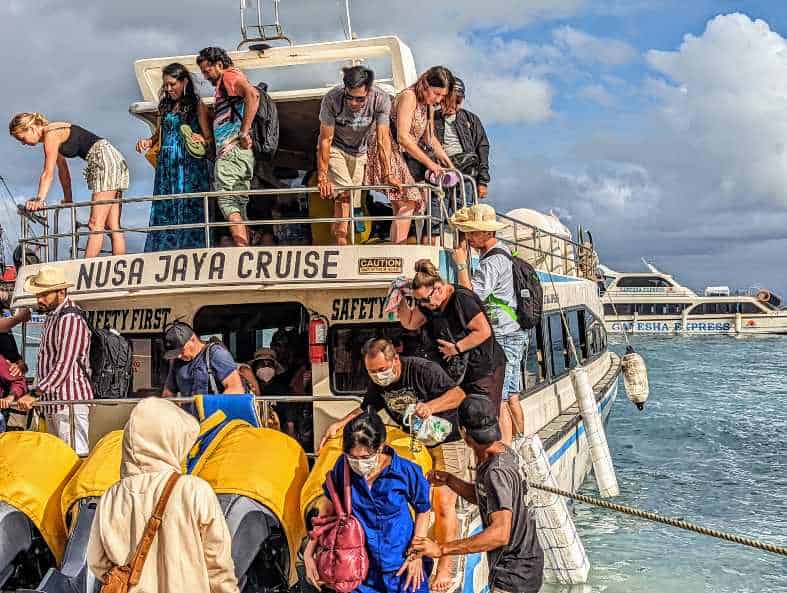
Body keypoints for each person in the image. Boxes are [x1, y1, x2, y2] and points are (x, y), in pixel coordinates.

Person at [319, 337, 467, 591]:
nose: (378, 376)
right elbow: (366, 410)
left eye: (382, 370)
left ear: (395, 360)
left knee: (442, 504)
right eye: (372, 372)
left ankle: (445, 565)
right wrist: (339, 424)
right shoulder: (378, 384)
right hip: (415, 440)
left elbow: (458, 394)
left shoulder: (421, 370)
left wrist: (429, 407)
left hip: (446, 437)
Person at [87, 397, 240, 593]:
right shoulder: (194, 490)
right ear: (172, 440)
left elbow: (97, 563)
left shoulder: (111, 496)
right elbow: (218, 563)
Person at [409, 396, 544, 593]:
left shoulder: (495, 472)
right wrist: (450, 480)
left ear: (463, 432)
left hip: (515, 575)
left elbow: (499, 535)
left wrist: (442, 549)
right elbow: (487, 499)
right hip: (526, 565)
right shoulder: (502, 453)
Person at [304, 412, 431, 593]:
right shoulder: (343, 466)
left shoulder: (406, 471)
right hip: (358, 568)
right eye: (353, 457)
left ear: (380, 447)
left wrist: (416, 555)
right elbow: (328, 509)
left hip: (402, 565)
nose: (359, 464)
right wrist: (310, 552)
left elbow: (423, 510)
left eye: (365, 458)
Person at [450, 204, 526, 445]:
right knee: (512, 396)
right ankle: (519, 443)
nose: (469, 237)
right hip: (512, 332)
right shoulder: (500, 253)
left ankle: (503, 451)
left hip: (503, 335)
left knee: (500, 400)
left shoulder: (491, 262)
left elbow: (471, 295)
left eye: (472, 232)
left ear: (487, 233)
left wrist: (461, 264)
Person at [10, 113, 129, 258]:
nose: (23, 143)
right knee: (112, 226)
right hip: (112, 159)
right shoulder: (53, 136)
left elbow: (48, 173)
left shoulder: (51, 134)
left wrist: (39, 200)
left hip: (105, 161)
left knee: (95, 224)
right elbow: (63, 172)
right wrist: (68, 199)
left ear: (31, 127)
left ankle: (85, 273)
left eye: (22, 138)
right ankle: (121, 270)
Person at [398, 259, 506, 412]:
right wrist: (400, 296)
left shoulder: (461, 299)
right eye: (418, 301)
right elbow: (409, 322)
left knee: (486, 415)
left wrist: (456, 348)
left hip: (484, 367)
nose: (422, 304)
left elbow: (483, 331)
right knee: (467, 415)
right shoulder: (430, 305)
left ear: (439, 288)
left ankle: (506, 436)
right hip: (459, 371)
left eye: (424, 299)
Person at [365, 66, 455, 244]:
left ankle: (397, 248)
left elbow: (429, 138)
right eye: (436, 93)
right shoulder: (409, 96)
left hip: (399, 153)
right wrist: (431, 164)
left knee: (404, 203)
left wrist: (449, 164)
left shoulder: (427, 104)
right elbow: (403, 138)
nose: (438, 99)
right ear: (425, 84)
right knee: (408, 201)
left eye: (442, 96)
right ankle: (399, 250)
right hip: (386, 148)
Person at [317, 66, 399, 245]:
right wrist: (322, 177)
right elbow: (325, 140)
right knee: (346, 191)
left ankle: (338, 229)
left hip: (360, 152)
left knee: (351, 201)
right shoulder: (332, 99)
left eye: (359, 99)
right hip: (336, 148)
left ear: (369, 91)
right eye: (349, 97)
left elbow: (383, 139)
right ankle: (342, 243)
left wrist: (388, 173)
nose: (353, 103)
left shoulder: (381, 100)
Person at [136, 62, 212, 252]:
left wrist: (202, 138)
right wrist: (148, 141)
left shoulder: (197, 105)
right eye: (166, 85)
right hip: (167, 165)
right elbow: (159, 134)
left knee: (188, 204)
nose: (168, 89)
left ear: (184, 81)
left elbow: (209, 137)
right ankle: (165, 249)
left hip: (188, 165)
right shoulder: (165, 107)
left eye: (172, 84)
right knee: (166, 205)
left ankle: (189, 249)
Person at [23, 266, 92, 454]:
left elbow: (64, 366)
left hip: (69, 403)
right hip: (54, 403)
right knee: (57, 459)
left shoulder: (70, 318)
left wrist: (35, 394)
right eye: (38, 295)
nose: (39, 299)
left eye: (45, 294)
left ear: (61, 292)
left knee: (74, 457)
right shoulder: (53, 316)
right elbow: (46, 362)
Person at [197, 47, 260, 247]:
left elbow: (252, 95)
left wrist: (243, 131)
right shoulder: (231, 79)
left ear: (220, 65)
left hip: (230, 153)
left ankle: (243, 252)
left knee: (227, 202)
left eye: (207, 70)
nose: (205, 76)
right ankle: (246, 248)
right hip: (240, 155)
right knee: (238, 205)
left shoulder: (228, 78)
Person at [434, 78, 490, 200]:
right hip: (440, 174)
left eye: (458, 102)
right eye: (451, 101)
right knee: (437, 213)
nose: (454, 106)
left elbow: (482, 149)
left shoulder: (471, 119)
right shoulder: (431, 119)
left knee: (465, 213)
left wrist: (483, 182)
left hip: (466, 174)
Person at [161, 322, 245, 397]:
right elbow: (168, 394)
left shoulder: (216, 354)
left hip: (217, 413)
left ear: (192, 340)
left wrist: (213, 410)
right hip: (188, 414)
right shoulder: (177, 362)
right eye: (175, 353)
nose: (179, 356)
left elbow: (236, 389)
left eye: (181, 351)